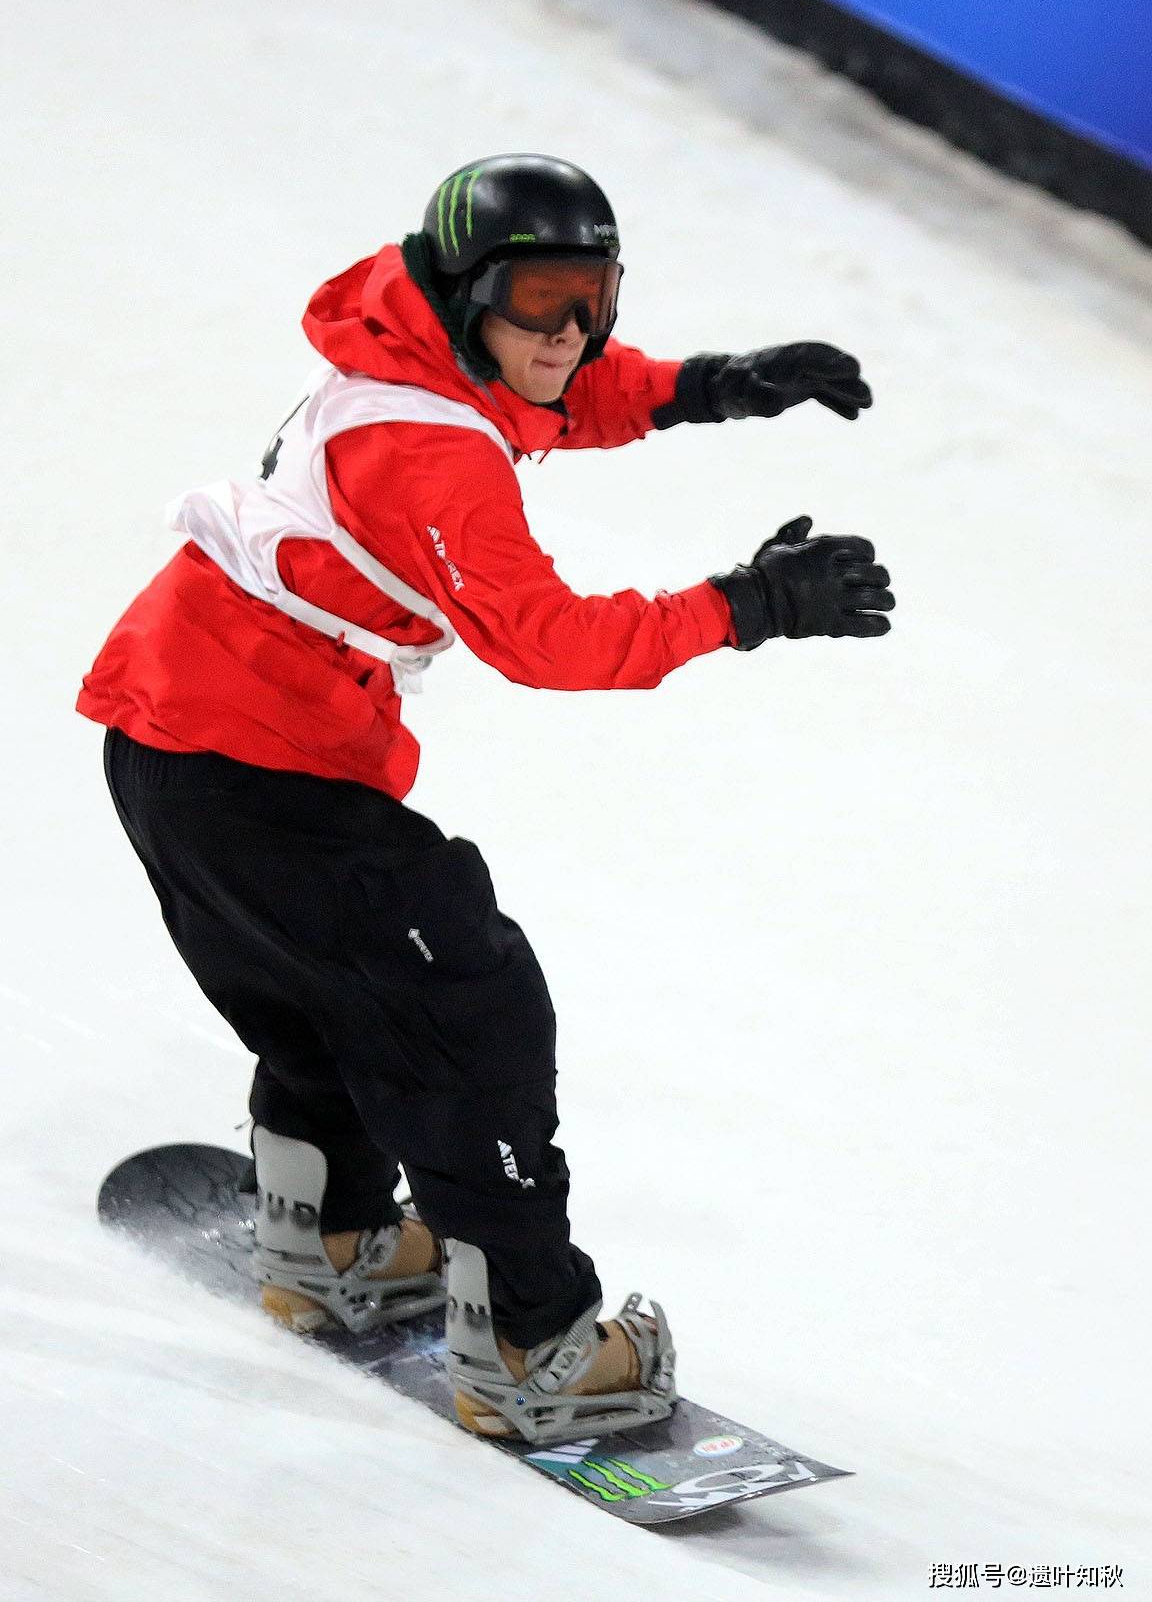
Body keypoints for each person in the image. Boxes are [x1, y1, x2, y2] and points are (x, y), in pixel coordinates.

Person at [78, 153, 894, 1443]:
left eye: (596, 293)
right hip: (253, 754)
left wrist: (709, 389)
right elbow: (547, 640)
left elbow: (559, 392)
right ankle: (531, 1347)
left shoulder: (412, 346)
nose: (570, 333)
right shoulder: (424, 451)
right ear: (468, 297)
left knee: (335, 996)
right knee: (469, 1005)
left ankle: (330, 1235)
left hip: (183, 735)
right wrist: (747, 606)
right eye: (540, 297)